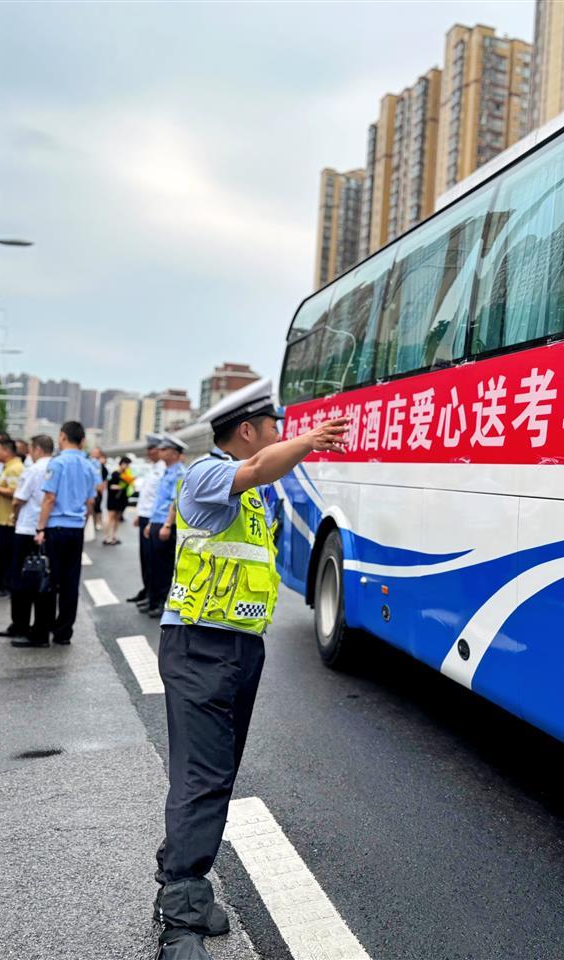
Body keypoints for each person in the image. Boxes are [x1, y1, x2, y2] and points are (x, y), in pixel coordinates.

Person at [152, 381, 347, 960]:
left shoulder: (253, 497)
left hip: (239, 648)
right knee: (203, 777)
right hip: (199, 645)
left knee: (216, 773)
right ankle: (180, 923)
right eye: (273, 428)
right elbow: (261, 467)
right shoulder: (206, 474)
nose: (280, 436)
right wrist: (310, 439)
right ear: (246, 431)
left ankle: (179, 879)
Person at [32, 421, 100, 645]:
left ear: (62, 437)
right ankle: (63, 633)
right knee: (71, 582)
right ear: (82, 440)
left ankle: (43, 631)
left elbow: (49, 498)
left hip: (56, 528)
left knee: (50, 580)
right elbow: (90, 502)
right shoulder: (89, 466)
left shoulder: (57, 463)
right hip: (76, 529)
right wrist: (82, 523)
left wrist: (40, 528)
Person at [1, 434, 54, 646]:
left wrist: (14, 515)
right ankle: (40, 629)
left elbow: (19, 499)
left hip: (26, 528)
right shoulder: (57, 467)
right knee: (43, 581)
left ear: (37, 449)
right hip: (46, 528)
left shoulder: (33, 469)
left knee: (21, 580)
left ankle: (21, 627)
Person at [145, 436, 186, 618]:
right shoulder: (167, 471)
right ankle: (153, 600)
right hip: (157, 521)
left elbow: (175, 501)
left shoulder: (179, 473)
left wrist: (168, 524)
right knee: (153, 564)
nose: (160, 452)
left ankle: (163, 602)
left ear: (175, 453)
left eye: (164, 449)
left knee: (164, 567)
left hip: (166, 524)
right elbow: (158, 500)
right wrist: (151, 523)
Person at [129, 436, 165, 604]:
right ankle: (146, 589)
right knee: (144, 557)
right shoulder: (152, 468)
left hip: (153, 518)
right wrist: (138, 514)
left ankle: (153, 594)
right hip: (145, 516)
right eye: (148, 449)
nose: (148, 452)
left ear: (159, 449)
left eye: (152, 448)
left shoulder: (163, 469)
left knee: (153, 559)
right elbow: (145, 494)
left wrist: (151, 520)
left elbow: (159, 498)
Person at [0, 438, 24, 599]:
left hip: (6, 521)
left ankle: (6, 586)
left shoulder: (15, 468)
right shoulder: (7, 467)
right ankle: (2, 583)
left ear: (6, 451)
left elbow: (15, 492)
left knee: (3, 556)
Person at [104, 455, 132, 545]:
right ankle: (107, 537)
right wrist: (120, 487)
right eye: (126, 464)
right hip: (113, 499)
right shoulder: (114, 474)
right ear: (122, 464)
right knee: (110, 517)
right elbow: (109, 486)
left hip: (122, 499)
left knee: (117, 518)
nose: (127, 467)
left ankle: (114, 536)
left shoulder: (127, 475)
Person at [89, 447, 108, 535]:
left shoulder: (99, 464)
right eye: (93, 452)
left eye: (96, 452)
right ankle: (92, 524)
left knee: (97, 507)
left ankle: (97, 522)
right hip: (90, 489)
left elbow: (102, 478)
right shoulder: (88, 462)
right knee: (90, 507)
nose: (94, 454)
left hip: (97, 490)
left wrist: (101, 486)